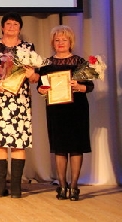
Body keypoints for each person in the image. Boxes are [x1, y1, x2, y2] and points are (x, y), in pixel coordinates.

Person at [0, 12, 39, 198]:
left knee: (18, 142)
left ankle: (16, 186)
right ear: (2, 27)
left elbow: (35, 78)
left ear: (20, 28)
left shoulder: (27, 48)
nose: (11, 27)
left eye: (15, 24)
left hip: (19, 99)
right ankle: (0, 185)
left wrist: (32, 75)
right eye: (8, 24)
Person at [37, 25, 94, 201]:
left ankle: (74, 186)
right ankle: (62, 186)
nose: (60, 43)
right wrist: (42, 90)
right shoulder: (46, 64)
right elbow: (40, 86)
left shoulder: (80, 62)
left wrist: (79, 86)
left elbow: (90, 87)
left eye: (64, 39)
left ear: (71, 42)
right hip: (56, 110)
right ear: (52, 43)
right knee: (60, 149)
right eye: (57, 40)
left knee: (76, 148)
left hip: (77, 110)